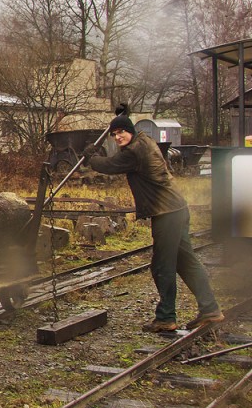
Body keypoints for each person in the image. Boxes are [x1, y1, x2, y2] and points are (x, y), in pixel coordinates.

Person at [83, 115, 224, 333]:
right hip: (176, 209)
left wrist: (91, 156)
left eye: (121, 132)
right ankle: (210, 309)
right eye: (114, 134)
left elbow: (109, 165)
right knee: (186, 262)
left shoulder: (135, 152)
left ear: (130, 131)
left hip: (167, 213)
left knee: (162, 266)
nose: (118, 137)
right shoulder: (144, 141)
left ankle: (166, 317)